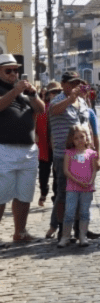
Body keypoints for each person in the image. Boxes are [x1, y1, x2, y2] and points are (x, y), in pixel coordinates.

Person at [46, 72, 97, 242]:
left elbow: (87, 126)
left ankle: (80, 228)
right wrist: (70, 98)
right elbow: (53, 111)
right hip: (64, 156)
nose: (76, 86)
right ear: (63, 84)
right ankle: (62, 229)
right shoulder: (57, 100)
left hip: (83, 155)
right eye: (72, 83)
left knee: (83, 191)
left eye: (78, 83)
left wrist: (93, 149)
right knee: (64, 193)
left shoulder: (82, 102)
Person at [0, 54, 44, 242]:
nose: (13, 73)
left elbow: (41, 109)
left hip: (28, 149)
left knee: (25, 193)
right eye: (8, 70)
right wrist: (15, 90)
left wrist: (33, 95)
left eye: (16, 70)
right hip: (4, 149)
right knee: (1, 195)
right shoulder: (9, 90)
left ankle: (20, 232)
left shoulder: (23, 91)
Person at [57, 125, 99, 248]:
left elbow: (94, 169)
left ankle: (82, 236)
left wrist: (91, 181)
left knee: (84, 212)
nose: (80, 140)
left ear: (86, 137)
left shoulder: (91, 153)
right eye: (76, 138)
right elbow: (66, 170)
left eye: (82, 137)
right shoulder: (69, 153)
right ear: (72, 140)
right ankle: (65, 237)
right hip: (72, 188)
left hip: (87, 188)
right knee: (69, 212)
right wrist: (77, 181)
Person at [36, 84, 61, 207]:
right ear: (48, 94)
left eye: (58, 92)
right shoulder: (42, 107)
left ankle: (56, 197)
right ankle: (43, 192)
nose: (55, 95)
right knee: (43, 173)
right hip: (44, 146)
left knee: (57, 174)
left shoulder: (62, 107)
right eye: (53, 92)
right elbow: (35, 123)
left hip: (57, 147)